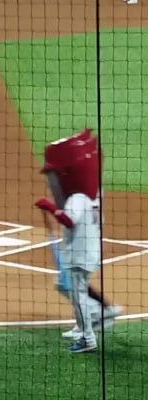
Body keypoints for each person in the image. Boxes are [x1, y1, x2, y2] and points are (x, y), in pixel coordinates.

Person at [35, 129, 121, 353]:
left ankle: (89, 336)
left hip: (79, 254)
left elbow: (68, 220)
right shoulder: (94, 196)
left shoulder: (77, 198)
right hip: (87, 250)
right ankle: (85, 325)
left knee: (77, 294)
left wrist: (50, 207)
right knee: (69, 288)